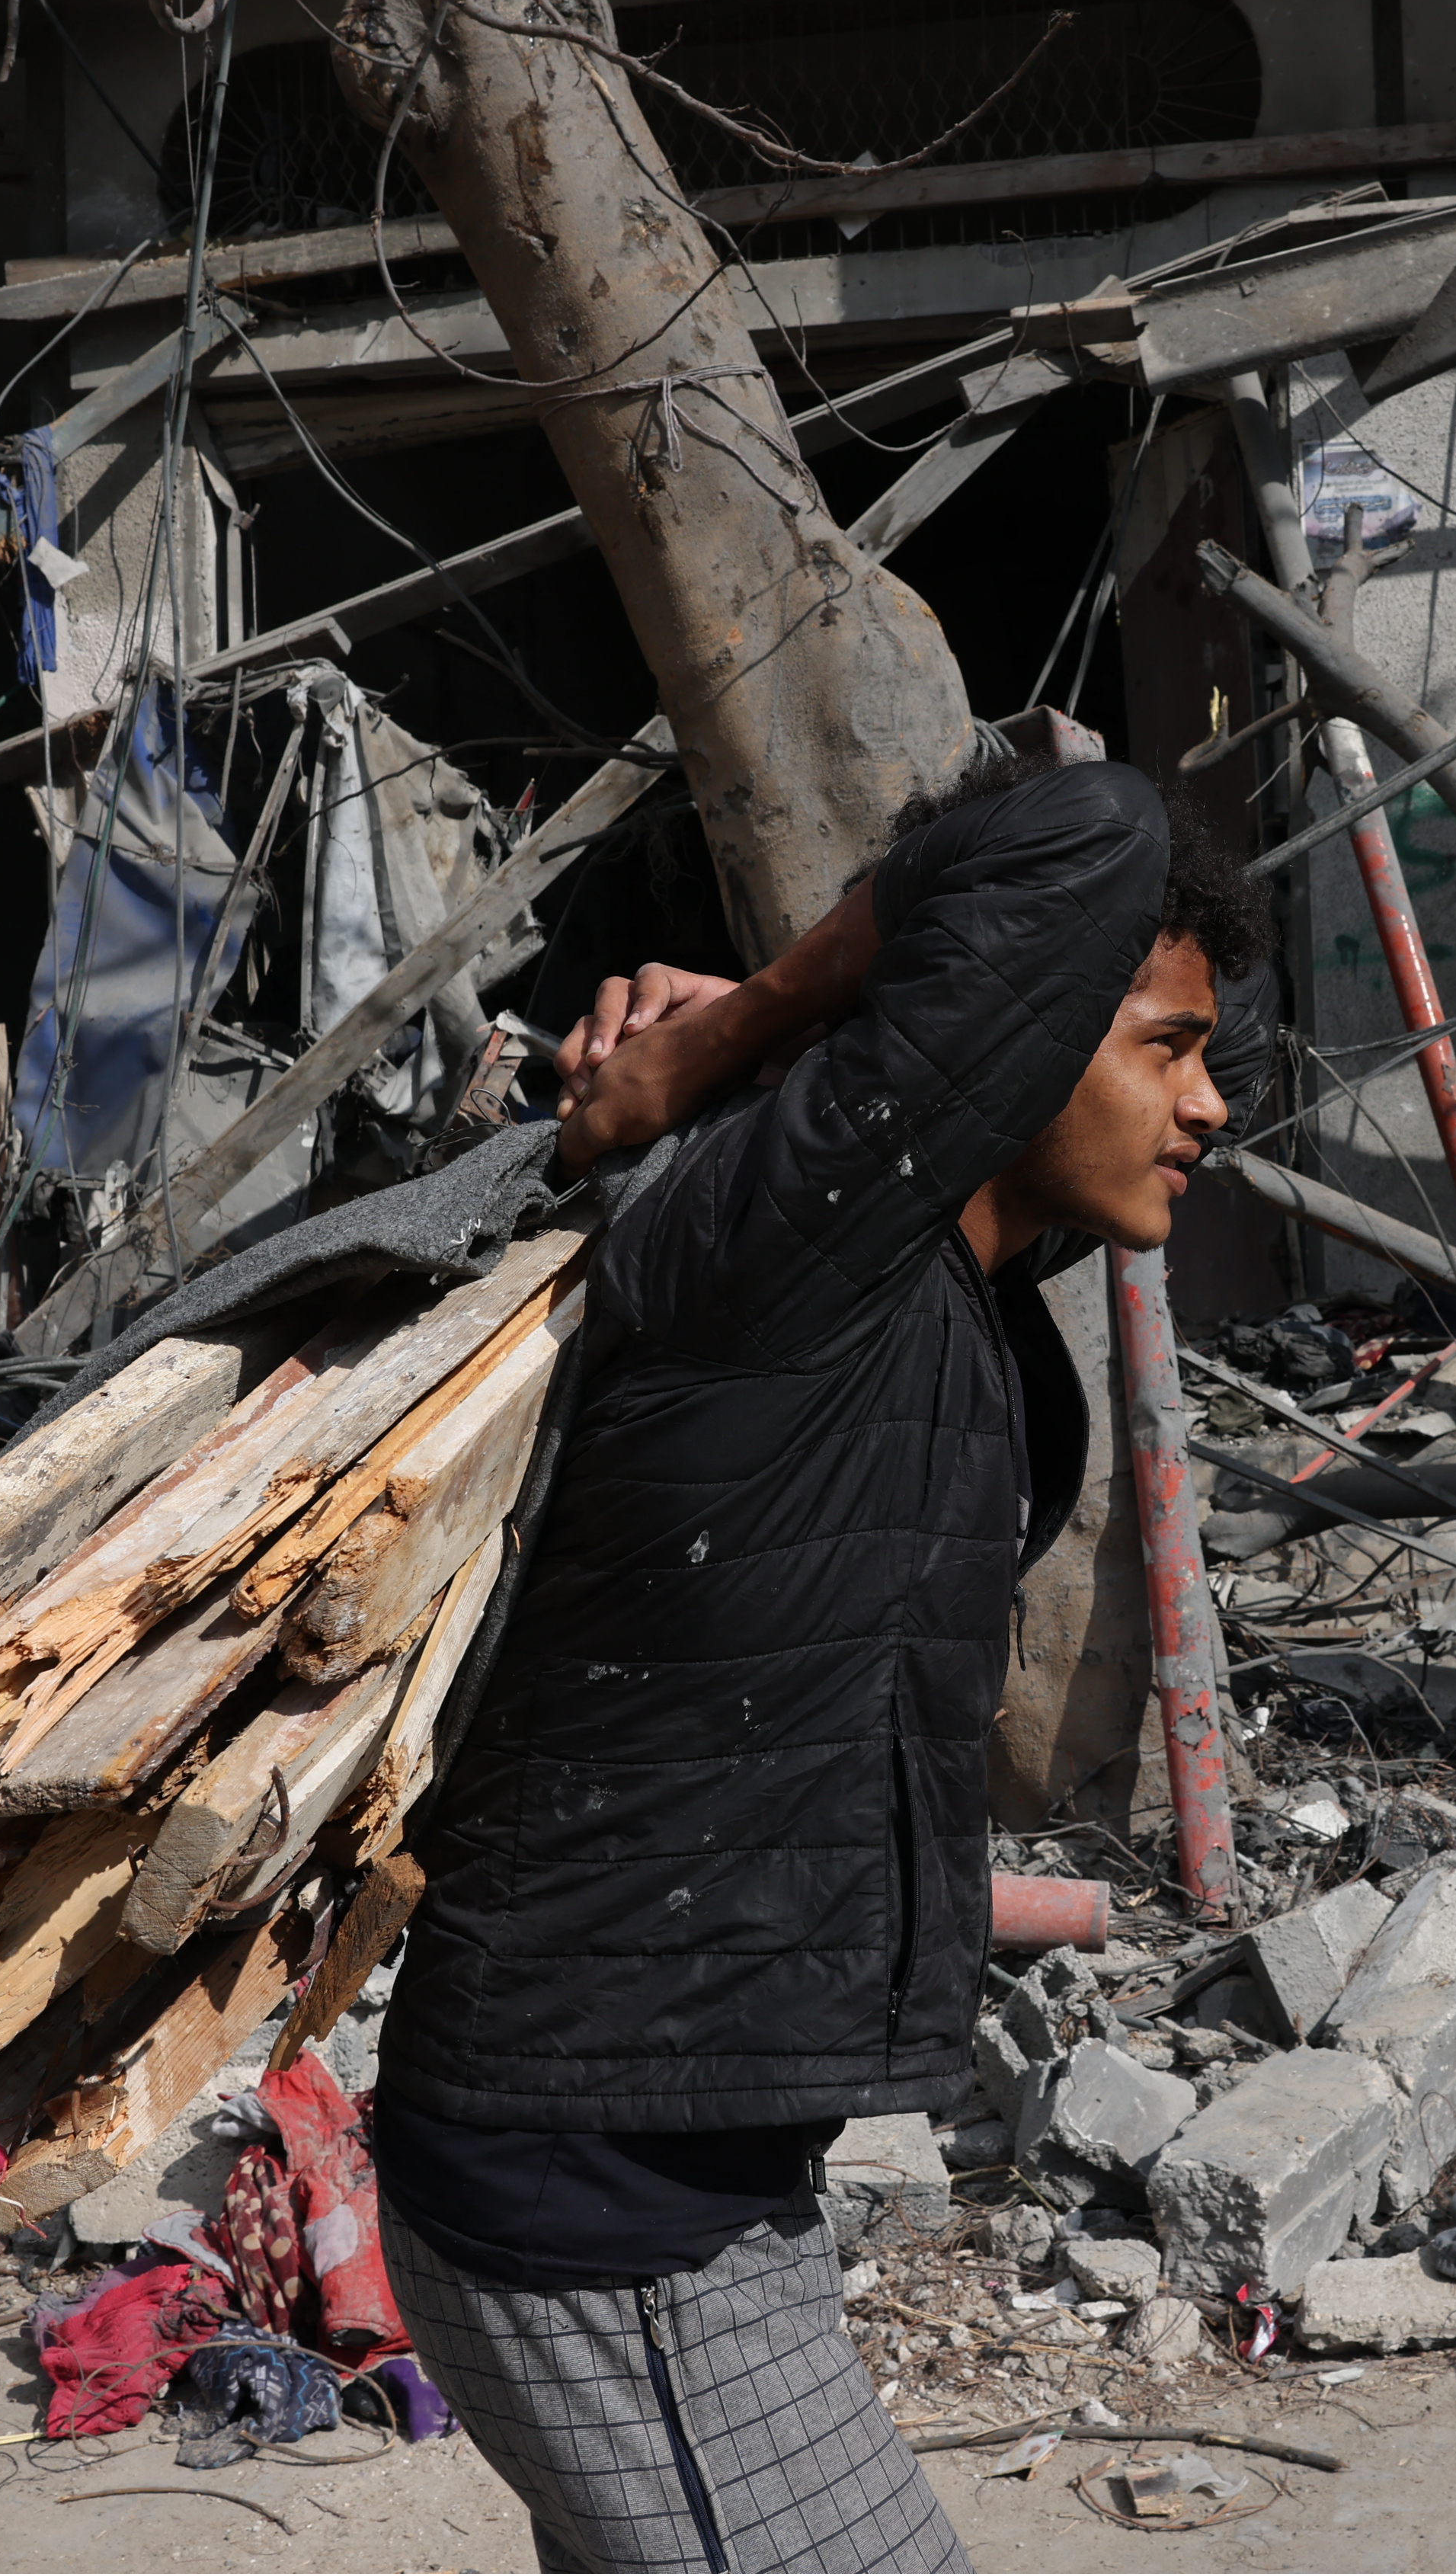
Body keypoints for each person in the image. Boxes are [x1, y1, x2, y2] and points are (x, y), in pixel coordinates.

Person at [370, 753, 1266, 2574]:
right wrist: (739, 1028)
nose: (1212, 1105)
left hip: (681, 2157)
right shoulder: (778, 1237)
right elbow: (1082, 831)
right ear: (1010, 1029)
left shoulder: (963, 1323)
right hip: (598, 2186)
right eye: (1166, 1045)